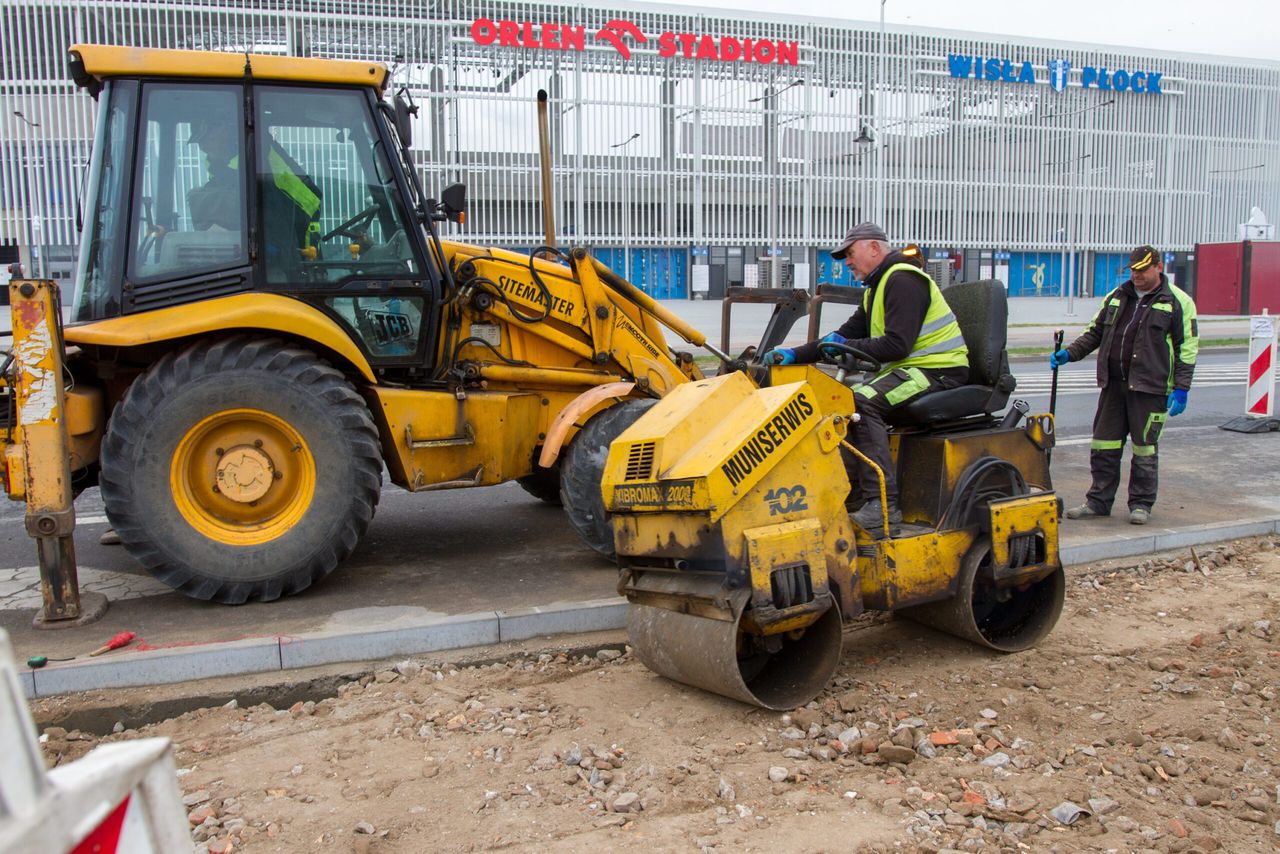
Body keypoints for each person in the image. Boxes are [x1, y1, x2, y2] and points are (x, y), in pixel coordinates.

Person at [762, 223, 970, 533]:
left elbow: (897, 345)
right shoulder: (878, 288)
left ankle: (882, 504)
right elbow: (841, 336)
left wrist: (848, 346)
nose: (847, 262)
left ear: (874, 248)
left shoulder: (903, 281)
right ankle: (854, 492)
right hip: (911, 370)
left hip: (938, 370)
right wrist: (794, 354)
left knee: (861, 402)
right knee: (839, 400)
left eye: (850, 253)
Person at [1051, 245, 1198, 525]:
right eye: (1133, 270)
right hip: (1114, 386)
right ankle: (1098, 502)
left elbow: (1187, 347)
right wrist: (1069, 354)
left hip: (1150, 388)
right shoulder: (1117, 296)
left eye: (1142, 270)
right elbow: (1094, 332)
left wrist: (1182, 387)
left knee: (1144, 449)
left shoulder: (1177, 301)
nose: (1136, 275)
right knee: (1103, 445)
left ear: (1158, 267)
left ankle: (1141, 505)